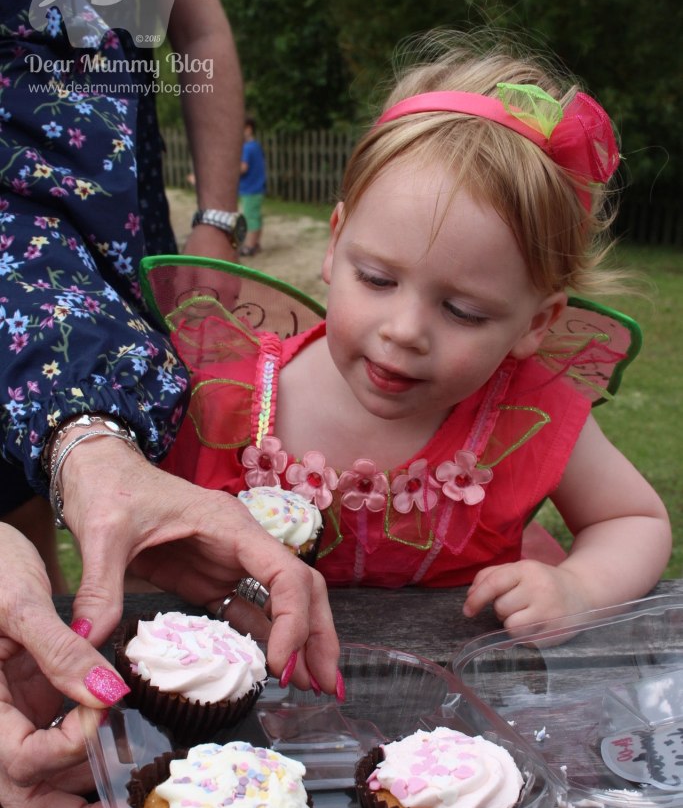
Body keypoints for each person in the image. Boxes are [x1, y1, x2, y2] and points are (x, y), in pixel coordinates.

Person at [0, 0, 341, 808]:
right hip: (25, 273)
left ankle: (65, 627)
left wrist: (214, 215)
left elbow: (197, 19)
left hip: (120, 234)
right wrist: (89, 446)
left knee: (82, 524)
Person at [161, 31, 671, 633]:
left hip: (464, 709)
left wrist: (580, 585)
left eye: (463, 312)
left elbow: (634, 520)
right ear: (335, 244)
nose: (405, 332)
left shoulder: (527, 411)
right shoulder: (222, 403)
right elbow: (151, 547)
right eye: (377, 279)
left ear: (536, 322)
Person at [239, 116, 267, 255]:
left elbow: (243, 168)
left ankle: (250, 246)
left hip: (250, 189)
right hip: (257, 187)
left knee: (251, 218)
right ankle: (255, 243)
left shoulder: (247, 148)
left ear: (248, 129)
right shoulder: (256, 146)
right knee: (256, 217)